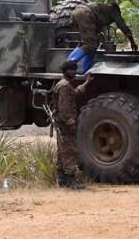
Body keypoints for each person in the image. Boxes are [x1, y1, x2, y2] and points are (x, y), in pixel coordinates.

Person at [51, 60, 93, 189]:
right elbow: (64, 108)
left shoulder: (65, 84)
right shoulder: (64, 86)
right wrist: (71, 123)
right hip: (65, 124)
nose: (74, 72)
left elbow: (74, 94)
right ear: (65, 71)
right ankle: (69, 181)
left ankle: (63, 180)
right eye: (71, 70)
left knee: (62, 151)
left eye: (75, 69)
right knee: (70, 150)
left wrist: (86, 82)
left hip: (62, 123)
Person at [67, 2, 138, 74]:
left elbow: (97, 22)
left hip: (75, 12)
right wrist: (132, 42)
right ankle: (68, 65)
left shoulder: (104, 8)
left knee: (89, 44)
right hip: (85, 14)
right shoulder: (114, 10)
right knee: (89, 45)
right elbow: (123, 26)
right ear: (118, 10)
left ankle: (84, 70)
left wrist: (98, 33)